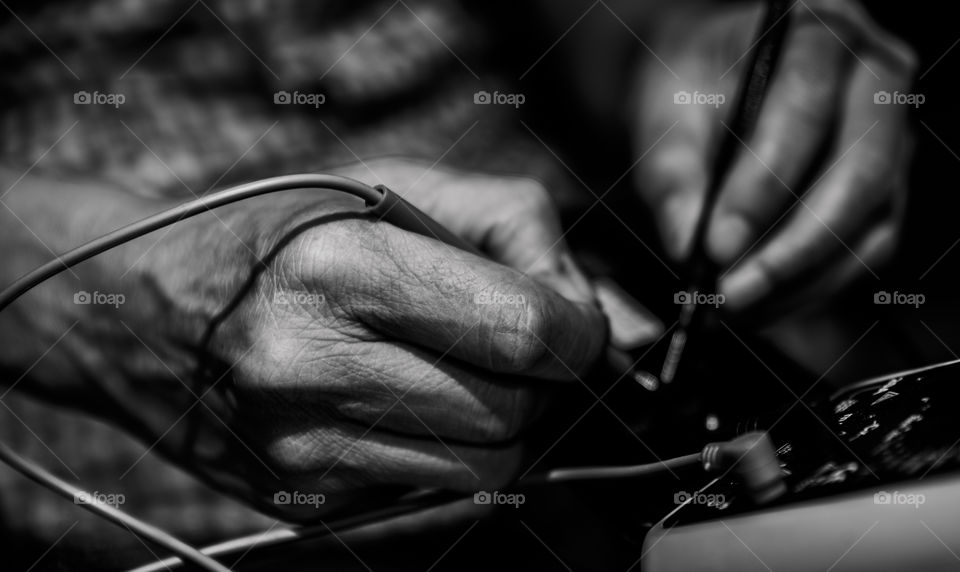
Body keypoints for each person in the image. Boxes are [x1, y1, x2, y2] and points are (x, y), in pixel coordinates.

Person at [0, 0, 914, 529]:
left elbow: (588, 24)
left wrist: (682, 40)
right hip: (116, 450)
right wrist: (112, 293)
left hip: (582, 299)